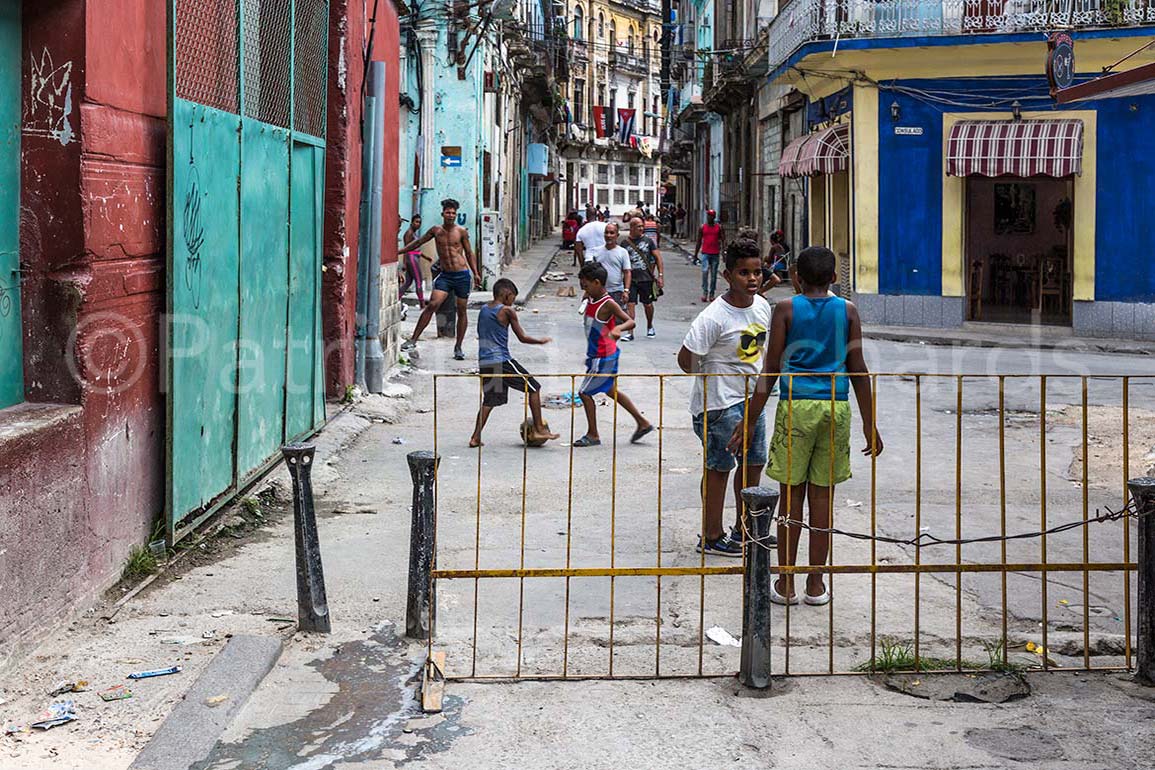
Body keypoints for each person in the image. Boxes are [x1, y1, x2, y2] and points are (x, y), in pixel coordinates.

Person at [729, 246, 884, 605]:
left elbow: (771, 371)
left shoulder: (784, 309)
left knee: (790, 501)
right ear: (834, 278)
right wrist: (869, 423)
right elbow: (858, 368)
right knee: (822, 500)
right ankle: (816, 583)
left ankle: (786, 583)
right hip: (836, 407)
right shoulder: (847, 311)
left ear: (796, 277)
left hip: (796, 408)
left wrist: (749, 420)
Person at [676, 237, 774, 557]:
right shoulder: (713, 317)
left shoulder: (762, 307)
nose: (753, 279)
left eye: (757, 272)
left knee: (753, 464)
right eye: (744, 273)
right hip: (718, 405)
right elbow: (685, 359)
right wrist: (711, 370)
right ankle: (711, 535)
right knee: (719, 468)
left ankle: (745, 529)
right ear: (727, 275)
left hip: (752, 400)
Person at [469, 278, 560, 448]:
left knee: (489, 401)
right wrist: (540, 342)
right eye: (512, 297)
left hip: (485, 361)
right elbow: (523, 337)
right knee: (534, 387)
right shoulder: (507, 311)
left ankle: (475, 437)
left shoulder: (483, 309)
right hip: (502, 360)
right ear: (506, 294)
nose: (513, 301)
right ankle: (539, 428)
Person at [573, 262, 654, 448]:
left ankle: (593, 434)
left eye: (585, 285)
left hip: (603, 356)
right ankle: (643, 423)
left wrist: (618, 328)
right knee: (610, 390)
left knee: (584, 393)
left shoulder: (608, 303)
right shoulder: (592, 298)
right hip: (598, 354)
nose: (583, 289)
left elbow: (630, 322)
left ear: (597, 283)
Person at [399, 198, 481, 361]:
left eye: (453, 213)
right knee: (432, 305)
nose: (450, 215)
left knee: (462, 310)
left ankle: (458, 347)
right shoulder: (436, 231)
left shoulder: (461, 232)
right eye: (448, 212)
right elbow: (418, 243)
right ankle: (413, 340)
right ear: (442, 214)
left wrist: (476, 273)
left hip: (462, 275)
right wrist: (400, 251)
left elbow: (469, 253)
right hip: (445, 276)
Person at [622, 216, 664, 340]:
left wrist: (660, 276)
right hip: (631, 280)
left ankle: (650, 326)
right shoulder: (624, 244)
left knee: (648, 304)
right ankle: (630, 332)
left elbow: (658, 258)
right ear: (632, 228)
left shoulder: (648, 241)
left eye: (642, 226)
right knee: (630, 304)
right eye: (638, 226)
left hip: (646, 279)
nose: (641, 228)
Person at [588, 222, 632, 309]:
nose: (609, 235)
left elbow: (627, 272)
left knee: (618, 320)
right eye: (606, 232)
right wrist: (588, 292)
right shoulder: (596, 252)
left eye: (612, 233)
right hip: (599, 292)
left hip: (617, 292)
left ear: (617, 235)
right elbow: (592, 274)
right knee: (598, 319)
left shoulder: (622, 252)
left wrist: (626, 291)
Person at [694, 210, 725, 302]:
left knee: (714, 274)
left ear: (714, 217)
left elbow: (723, 240)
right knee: (705, 271)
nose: (709, 217)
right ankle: (705, 291)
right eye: (708, 215)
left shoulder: (718, 228)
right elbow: (699, 241)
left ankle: (712, 293)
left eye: (711, 216)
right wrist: (696, 254)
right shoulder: (703, 227)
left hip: (715, 253)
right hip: (705, 253)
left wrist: (724, 251)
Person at [398, 214, 427, 307]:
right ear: (412, 222)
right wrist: (405, 263)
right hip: (412, 259)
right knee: (418, 281)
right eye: (416, 222)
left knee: (408, 282)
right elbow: (406, 249)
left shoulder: (414, 233)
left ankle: (397, 298)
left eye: (420, 222)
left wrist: (426, 257)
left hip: (414, 258)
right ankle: (422, 303)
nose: (418, 224)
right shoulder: (409, 233)